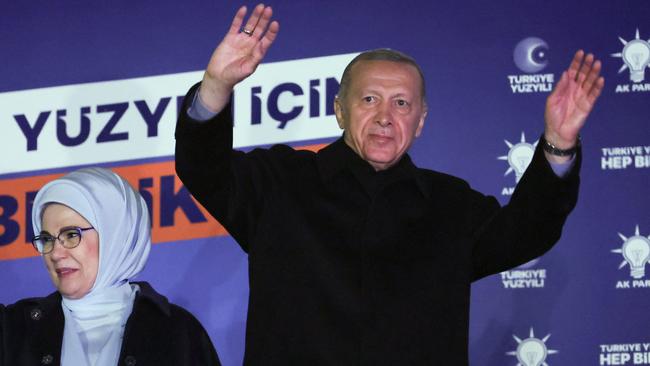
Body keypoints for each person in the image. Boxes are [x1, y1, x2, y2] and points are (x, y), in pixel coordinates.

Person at [174, 4, 604, 365]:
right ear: (340, 111)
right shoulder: (279, 184)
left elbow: (528, 230)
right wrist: (216, 86)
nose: (385, 116)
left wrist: (558, 145)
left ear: (420, 122)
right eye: (369, 99)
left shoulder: (451, 205)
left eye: (401, 103)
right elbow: (203, 168)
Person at [1, 168, 221, 366]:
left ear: (115, 236)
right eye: (47, 239)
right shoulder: (13, 329)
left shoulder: (177, 333)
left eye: (70, 235)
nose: (56, 254)